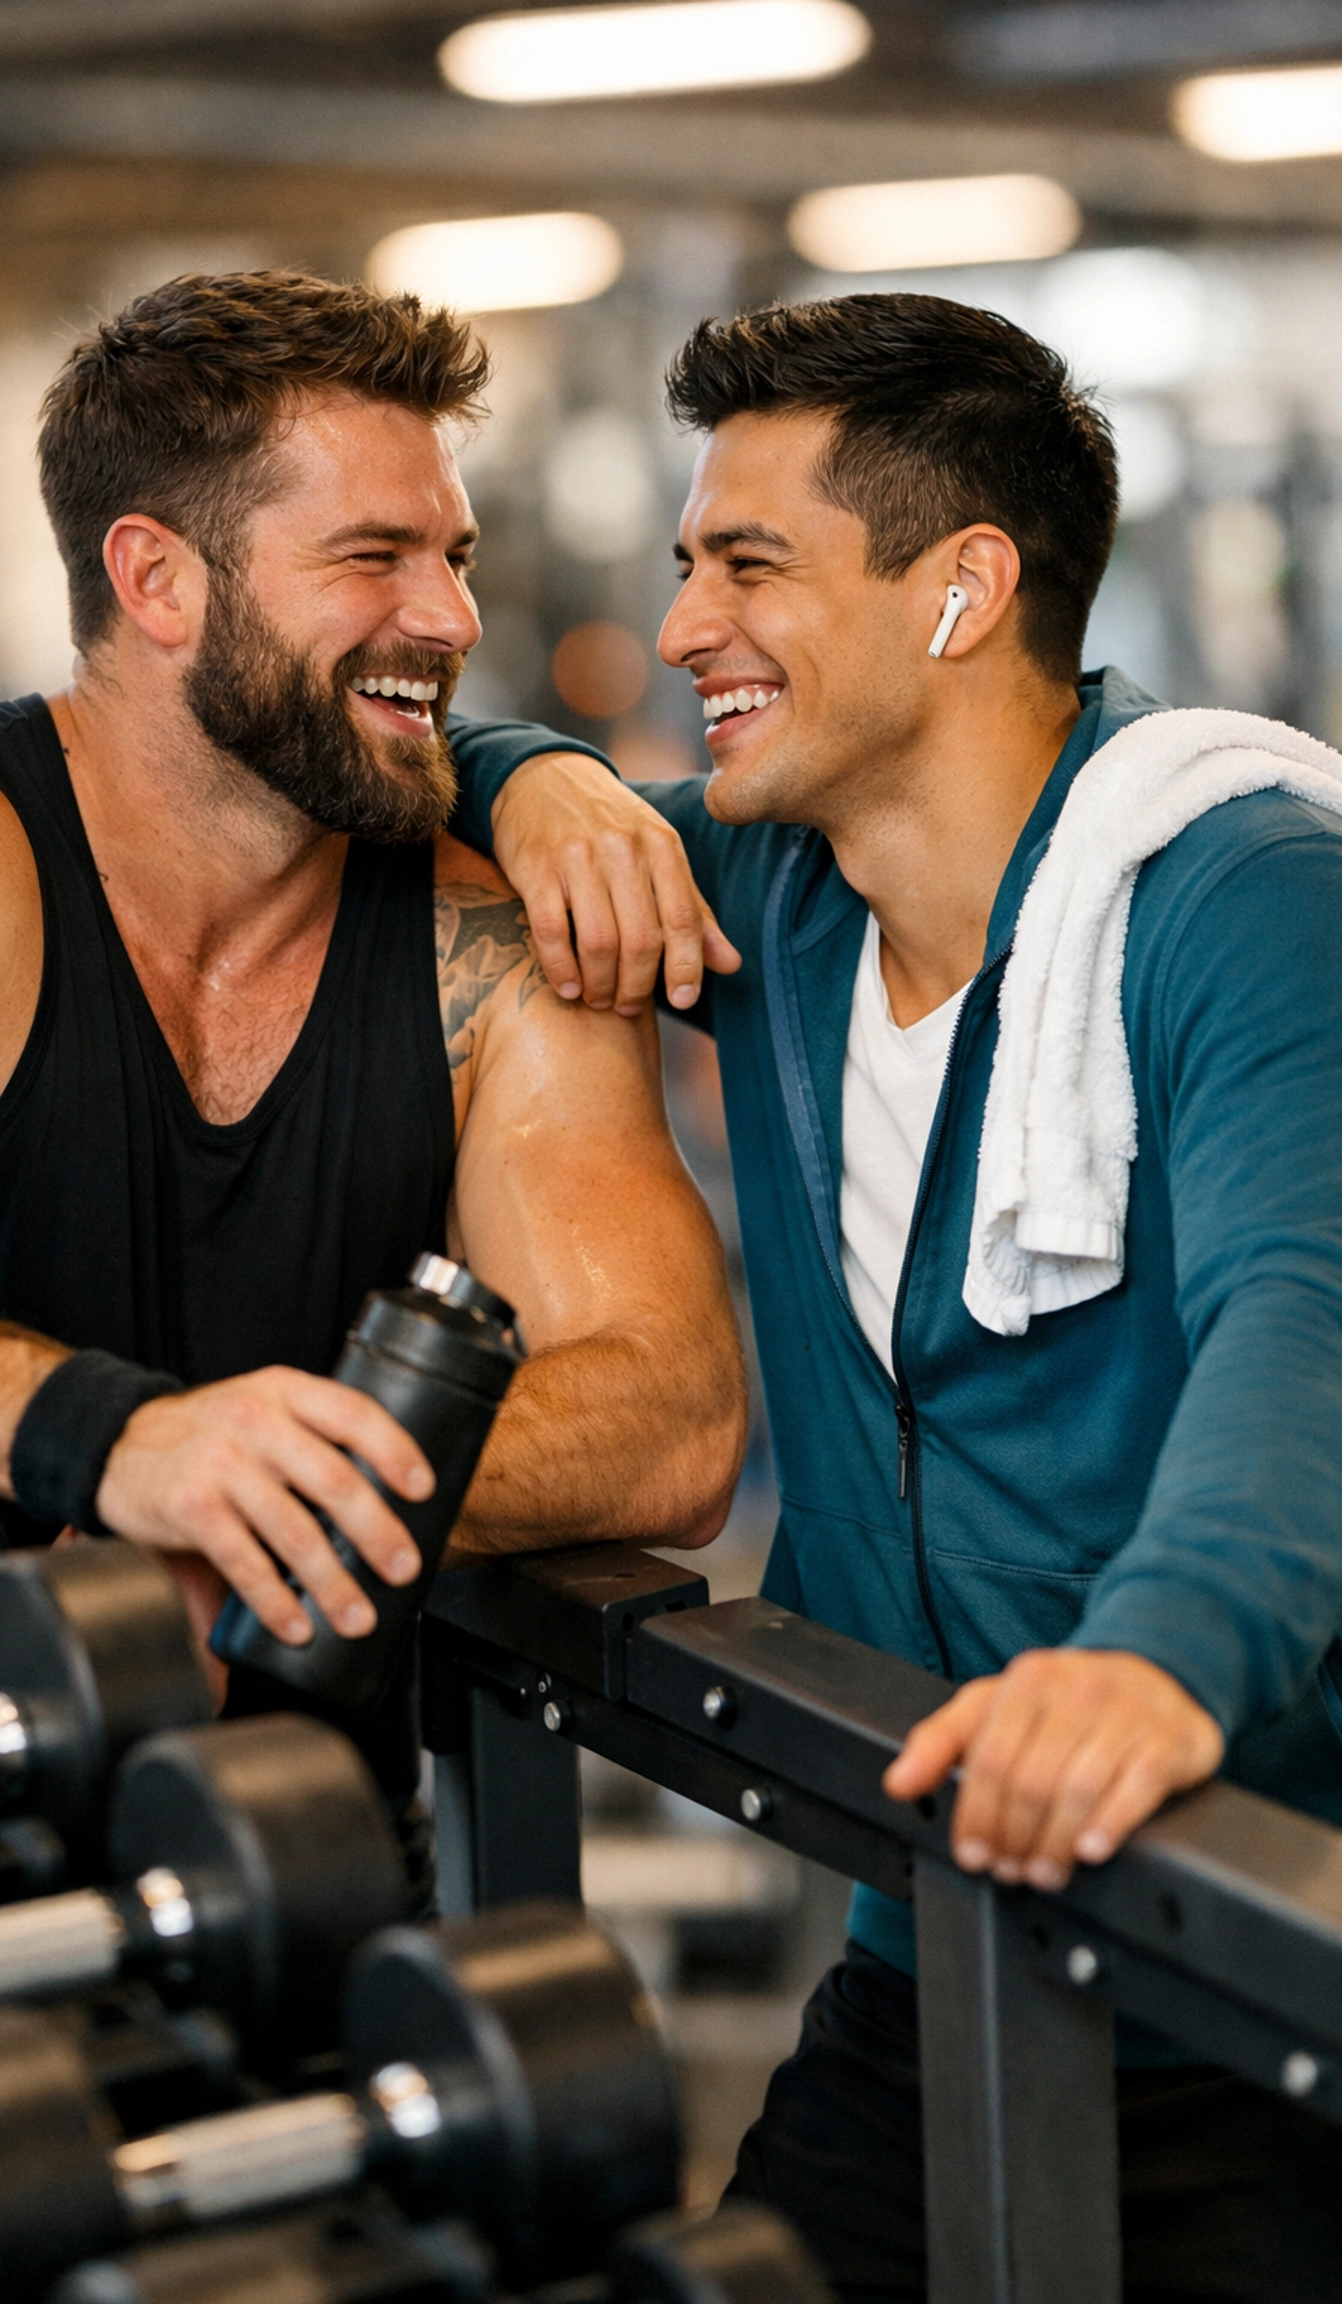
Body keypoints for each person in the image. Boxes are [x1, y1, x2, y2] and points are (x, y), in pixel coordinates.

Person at [450, 294, 1342, 2295]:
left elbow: (1317, 1321)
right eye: (686, 567)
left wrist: (1159, 1661)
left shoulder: (1246, 895)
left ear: (962, 592)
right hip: (934, 1921)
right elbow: (427, 804)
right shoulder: (767, 895)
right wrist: (536, 777)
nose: (685, 630)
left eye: (749, 567)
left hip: (1250, 1942)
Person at [0, 272, 746, 1821]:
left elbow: (672, 1413)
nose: (449, 618)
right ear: (158, 581)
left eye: (453, 555)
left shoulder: (488, 935)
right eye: (371, 558)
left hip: (304, 1884)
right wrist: (120, 1446)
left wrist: (257, 1494)